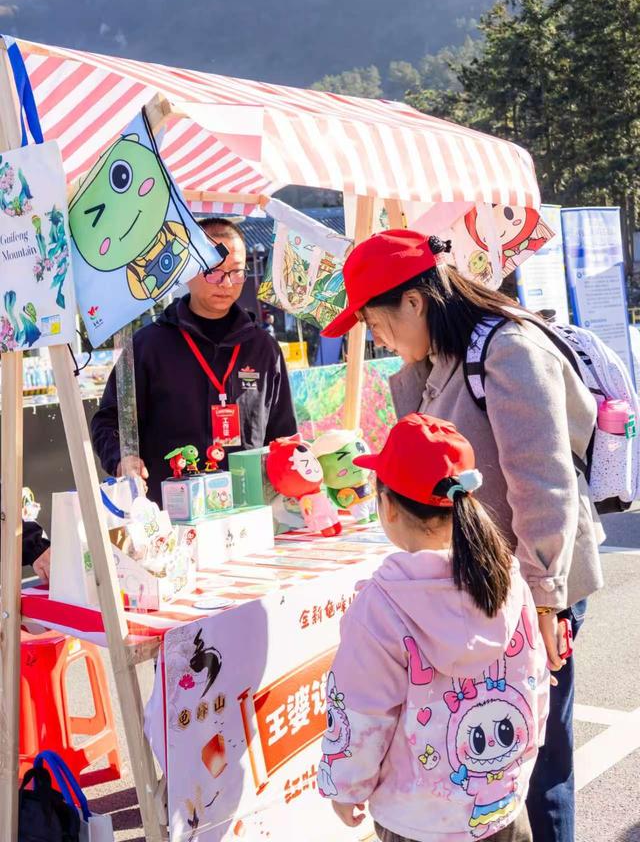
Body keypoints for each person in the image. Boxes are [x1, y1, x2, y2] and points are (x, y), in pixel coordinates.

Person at [322, 229, 603, 842]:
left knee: (537, 757)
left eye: (375, 321)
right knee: (480, 754)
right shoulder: (439, 360)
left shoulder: (508, 348)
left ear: (414, 301)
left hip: (536, 584)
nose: (377, 338)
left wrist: (547, 601)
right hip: (484, 585)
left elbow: (544, 482)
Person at [319, 413, 549, 842]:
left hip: (417, 820)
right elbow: (533, 681)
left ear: (387, 506)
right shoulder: (507, 580)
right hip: (500, 806)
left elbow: (361, 712)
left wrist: (346, 787)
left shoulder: (382, 605)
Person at [91, 218, 297, 506]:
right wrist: (122, 458)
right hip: (171, 515)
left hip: (250, 510)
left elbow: (283, 434)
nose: (226, 283)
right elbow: (108, 420)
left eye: (236, 272)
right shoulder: (148, 346)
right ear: (187, 268)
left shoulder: (263, 348)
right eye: (213, 271)